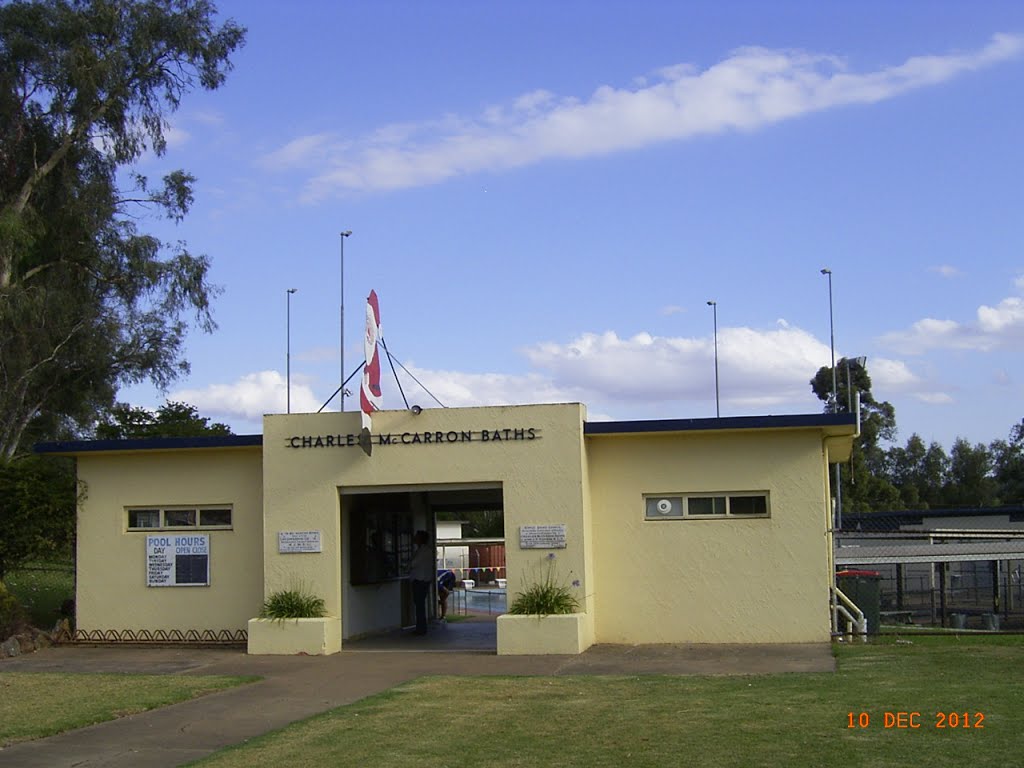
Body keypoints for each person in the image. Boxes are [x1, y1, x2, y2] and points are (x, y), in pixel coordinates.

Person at [407, 530, 434, 635]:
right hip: (424, 579)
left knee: (419, 604)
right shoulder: (426, 550)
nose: (414, 538)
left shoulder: (423, 551)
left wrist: (407, 566)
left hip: (420, 580)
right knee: (420, 604)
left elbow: (414, 563)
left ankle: (421, 628)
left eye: (416, 536)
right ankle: (421, 627)